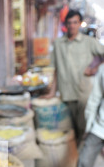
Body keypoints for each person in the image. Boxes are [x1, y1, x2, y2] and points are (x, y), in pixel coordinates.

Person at [43, 9, 104, 144]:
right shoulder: (58, 44)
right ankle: (72, 156)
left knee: (83, 128)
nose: (72, 26)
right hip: (66, 94)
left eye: (75, 22)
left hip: (84, 94)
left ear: (79, 23)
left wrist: (95, 68)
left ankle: (79, 157)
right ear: (66, 24)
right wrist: (52, 92)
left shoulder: (89, 42)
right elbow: (56, 70)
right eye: (69, 23)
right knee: (68, 129)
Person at [64, 63, 104, 167]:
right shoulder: (103, 69)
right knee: (84, 159)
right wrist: (89, 125)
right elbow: (95, 97)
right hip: (99, 127)